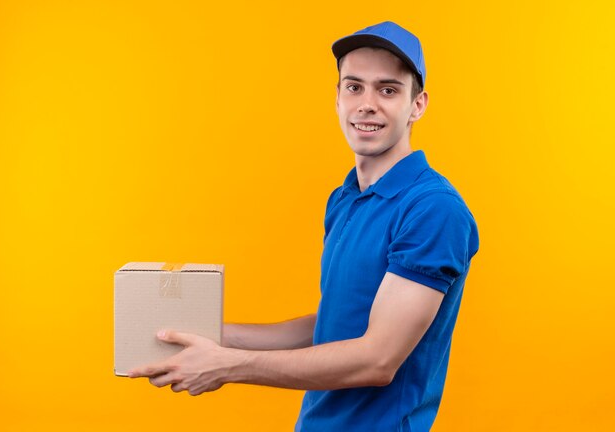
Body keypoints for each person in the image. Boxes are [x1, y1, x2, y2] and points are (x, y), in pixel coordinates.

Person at [129, 21, 480, 432]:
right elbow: (333, 325)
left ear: (417, 105)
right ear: (337, 98)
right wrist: (211, 336)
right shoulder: (345, 199)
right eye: (354, 87)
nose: (367, 104)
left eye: (388, 90)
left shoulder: (432, 209)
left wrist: (228, 367)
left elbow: (378, 359)